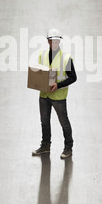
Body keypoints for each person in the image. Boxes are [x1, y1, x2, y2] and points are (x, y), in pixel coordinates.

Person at [32, 28, 77, 159]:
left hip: (58, 97)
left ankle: (68, 147)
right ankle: (45, 145)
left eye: (57, 41)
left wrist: (59, 85)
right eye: (53, 41)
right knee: (44, 121)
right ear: (48, 41)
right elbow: (41, 73)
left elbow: (73, 77)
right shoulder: (42, 55)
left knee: (64, 122)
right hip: (44, 95)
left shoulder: (66, 58)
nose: (55, 43)